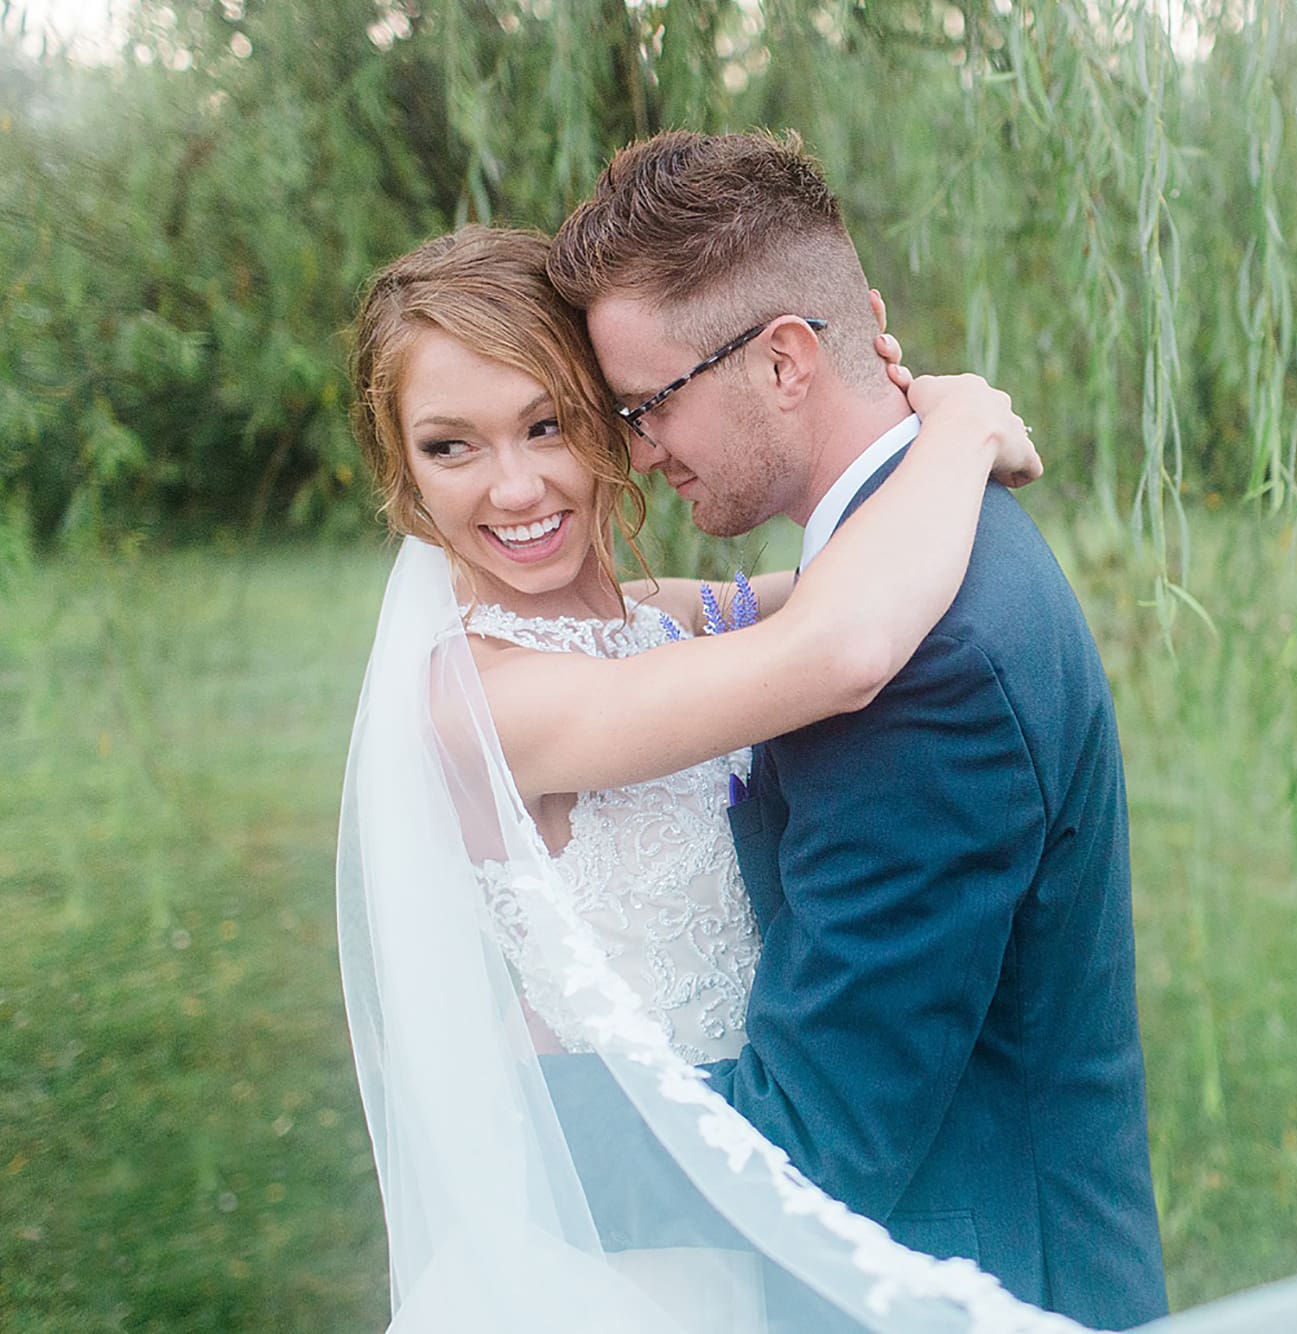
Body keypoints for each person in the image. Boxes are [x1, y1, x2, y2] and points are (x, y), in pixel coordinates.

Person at [336, 223, 1057, 1331]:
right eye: (450, 446)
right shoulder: (482, 702)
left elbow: (826, 582)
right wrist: (954, 432)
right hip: (629, 1248)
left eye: (547, 423)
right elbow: (840, 648)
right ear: (399, 471)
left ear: (612, 421)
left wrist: (881, 408)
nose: (516, 484)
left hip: (733, 1205)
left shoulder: (648, 619)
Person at [547, 128, 1171, 1330]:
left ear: (786, 361)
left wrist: (504, 1119)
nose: (635, 453)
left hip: (962, 1282)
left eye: (646, 406)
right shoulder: (899, 553)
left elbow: (814, 1140)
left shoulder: (925, 669)